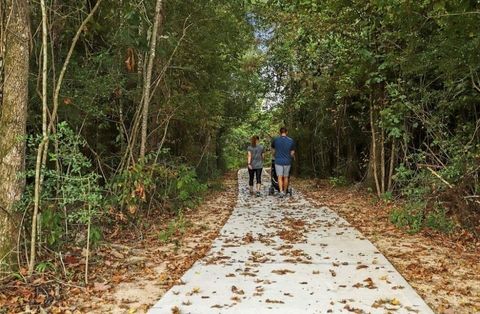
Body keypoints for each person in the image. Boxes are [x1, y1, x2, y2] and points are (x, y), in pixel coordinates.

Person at [271, 127, 295, 197]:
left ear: (280, 132)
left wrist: (275, 155)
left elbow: (273, 150)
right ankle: (285, 191)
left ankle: (281, 191)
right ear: (286, 132)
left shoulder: (275, 140)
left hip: (278, 161)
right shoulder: (291, 141)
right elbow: (292, 153)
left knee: (279, 177)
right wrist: (291, 156)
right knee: (286, 177)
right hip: (287, 161)